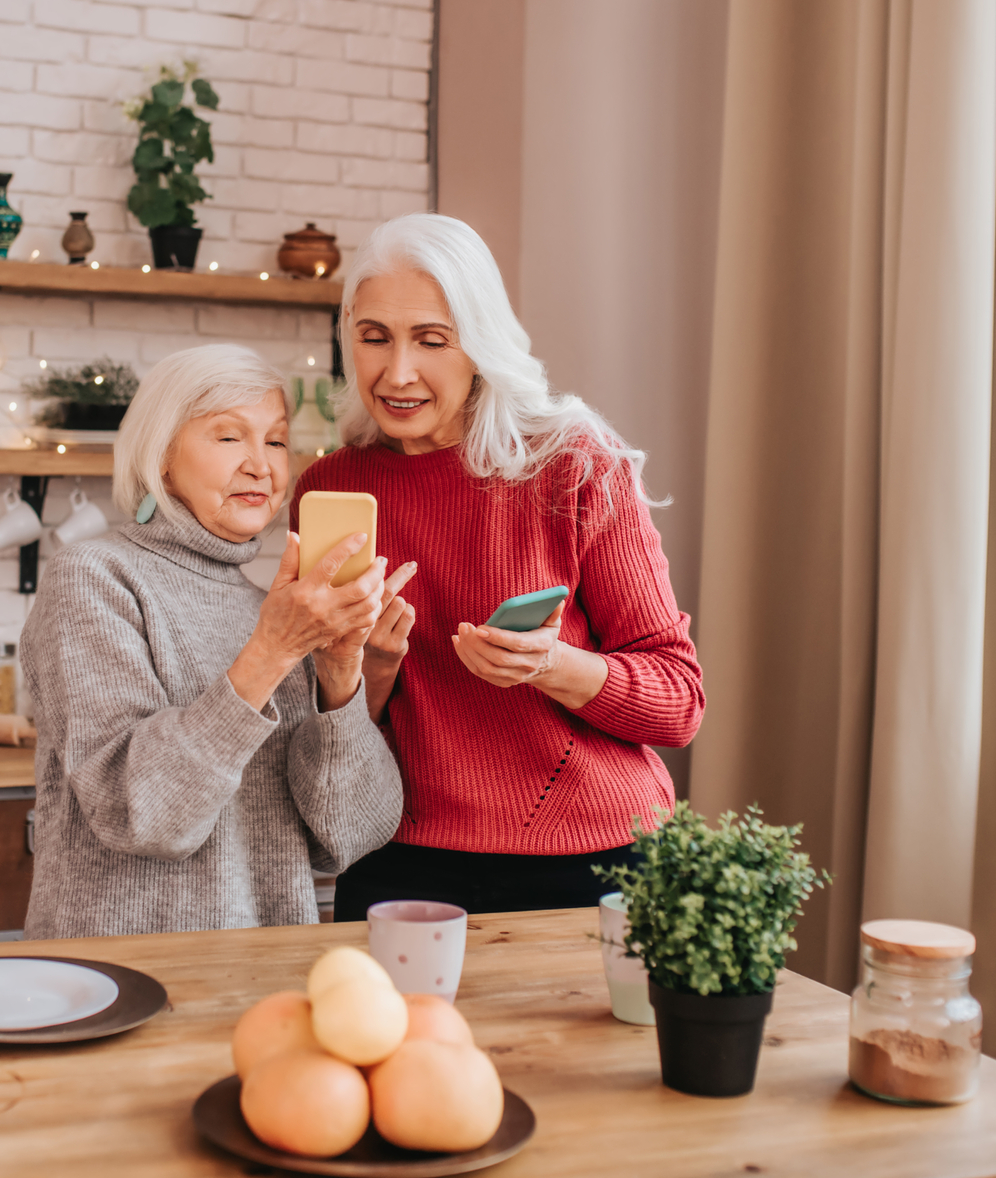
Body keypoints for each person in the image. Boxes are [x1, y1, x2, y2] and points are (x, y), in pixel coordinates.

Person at [295, 213, 705, 920]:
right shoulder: (328, 489)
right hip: (400, 855)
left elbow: (679, 700)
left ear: (480, 344)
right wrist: (373, 673)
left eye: (431, 340)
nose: (397, 373)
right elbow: (321, 732)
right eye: (374, 338)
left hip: (594, 857)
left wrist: (550, 665)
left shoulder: (574, 464)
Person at [22, 343, 405, 939]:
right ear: (163, 456)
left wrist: (338, 673)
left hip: (266, 980)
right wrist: (271, 653)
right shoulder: (95, 578)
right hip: (126, 981)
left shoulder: (274, 607)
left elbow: (349, 836)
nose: (260, 465)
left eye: (276, 440)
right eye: (229, 437)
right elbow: (138, 814)